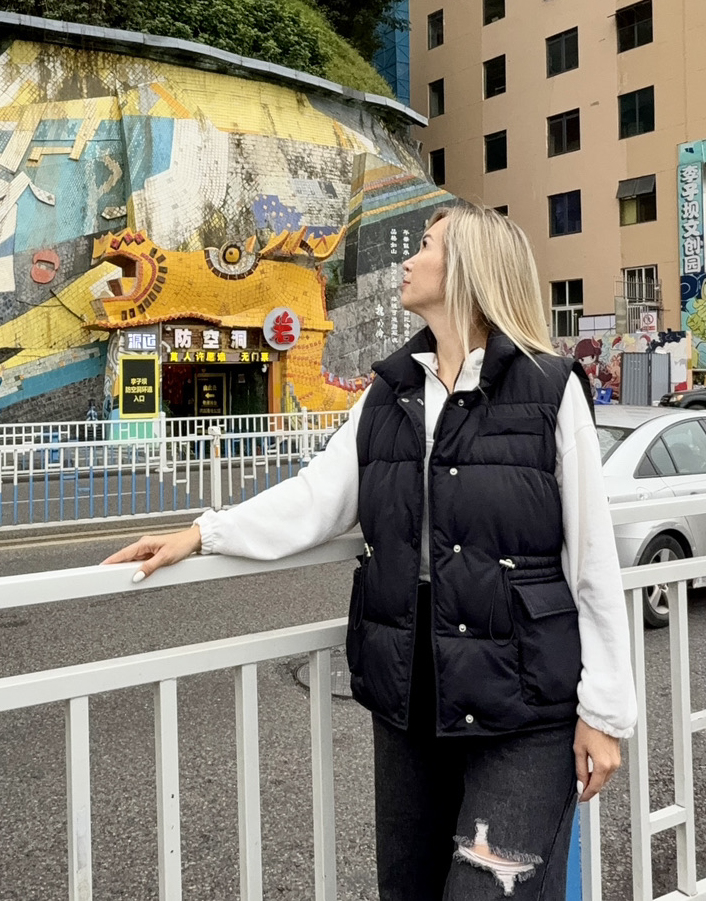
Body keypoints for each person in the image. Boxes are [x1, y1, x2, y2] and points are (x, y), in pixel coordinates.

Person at [105, 203, 636, 901]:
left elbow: (592, 559)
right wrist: (204, 533)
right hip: (411, 691)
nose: (408, 260)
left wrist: (605, 713)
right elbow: (316, 498)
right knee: (408, 888)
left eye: (425, 246)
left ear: (468, 268)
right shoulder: (389, 392)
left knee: (487, 890)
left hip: (525, 701)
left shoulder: (548, 389)